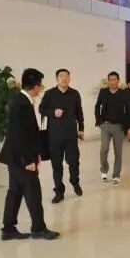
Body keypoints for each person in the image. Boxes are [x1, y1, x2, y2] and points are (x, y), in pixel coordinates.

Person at [0, 68, 59, 241]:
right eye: (41, 85)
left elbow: (25, 133)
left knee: (15, 192)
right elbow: (20, 135)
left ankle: (8, 228)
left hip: (15, 157)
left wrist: (36, 153)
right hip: (21, 159)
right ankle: (38, 228)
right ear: (35, 86)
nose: (41, 88)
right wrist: (28, 160)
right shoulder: (22, 104)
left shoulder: (20, 100)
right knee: (33, 193)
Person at [39, 69, 85, 204]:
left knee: (74, 162)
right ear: (57, 79)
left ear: (69, 78)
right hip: (54, 136)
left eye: (66, 76)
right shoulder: (49, 94)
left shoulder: (75, 93)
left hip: (71, 135)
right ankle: (59, 191)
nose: (64, 78)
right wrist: (53, 112)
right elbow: (41, 109)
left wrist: (81, 129)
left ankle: (75, 182)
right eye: (61, 76)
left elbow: (79, 112)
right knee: (57, 165)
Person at [95, 71, 130, 184]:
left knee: (118, 151)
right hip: (105, 125)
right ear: (108, 81)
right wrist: (99, 121)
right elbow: (97, 106)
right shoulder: (103, 92)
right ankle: (104, 170)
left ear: (118, 81)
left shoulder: (124, 93)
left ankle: (116, 175)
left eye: (114, 80)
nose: (112, 82)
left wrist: (129, 127)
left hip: (119, 126)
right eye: (110, 80)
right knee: (104, 149)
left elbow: (129, 111)